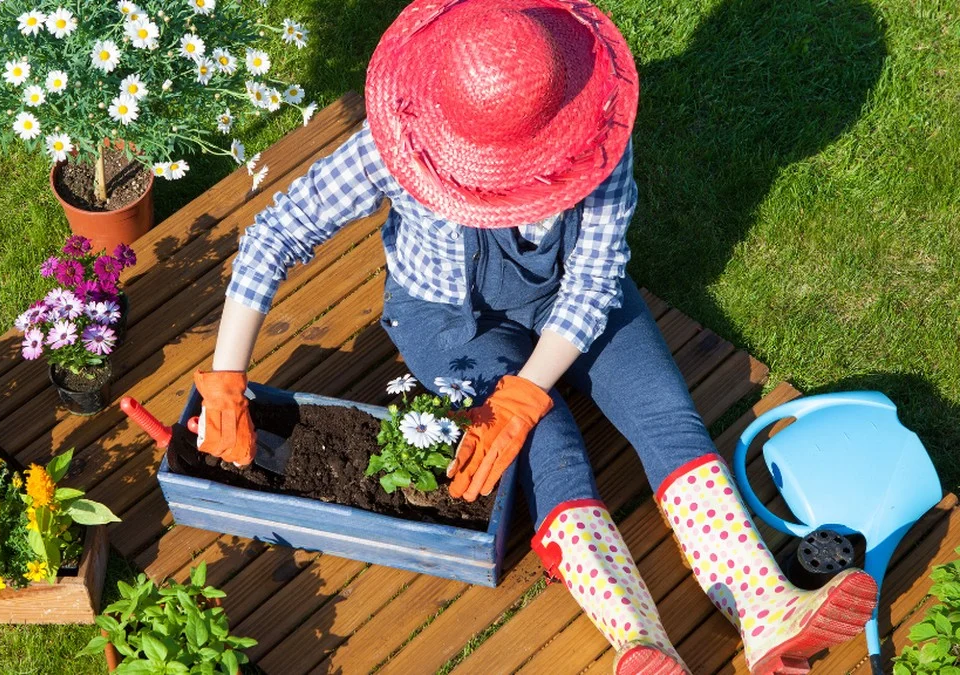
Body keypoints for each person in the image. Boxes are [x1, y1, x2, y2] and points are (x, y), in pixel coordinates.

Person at [191, 0, 877, 672]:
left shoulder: (595, 134)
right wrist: (227, 379)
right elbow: (279, 232)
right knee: (551, 445)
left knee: (664, 412)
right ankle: (641, 640)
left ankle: (765, 606)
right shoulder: (397, 139)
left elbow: (595, 275)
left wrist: (526, 390)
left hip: (575, 300)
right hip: (447, 319)